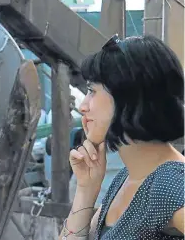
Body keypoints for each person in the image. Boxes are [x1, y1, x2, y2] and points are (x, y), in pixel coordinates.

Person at [59, 34, 184, 239]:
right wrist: (86, 189)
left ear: (128, 96)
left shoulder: (169, 183)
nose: (83, 107)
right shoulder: (125, 179)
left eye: (92, 91)